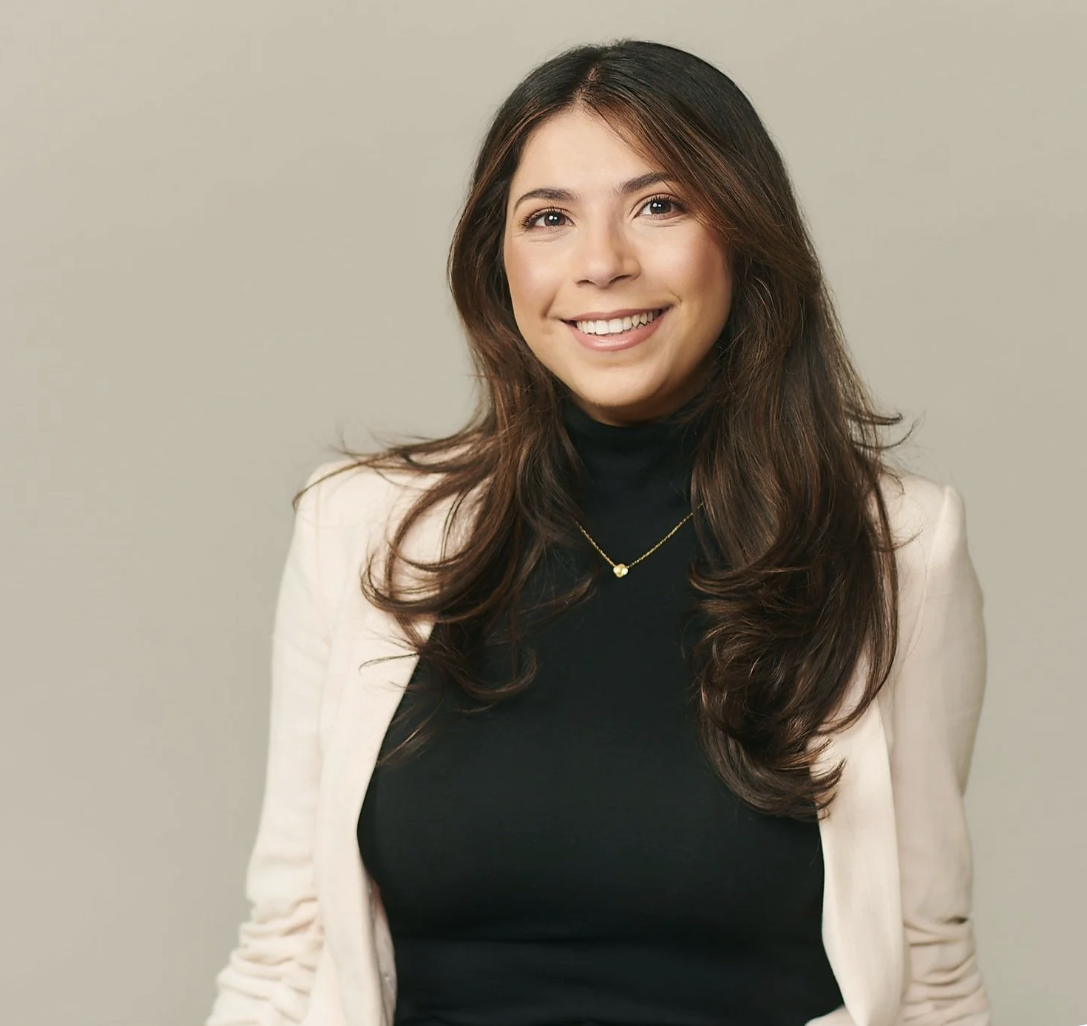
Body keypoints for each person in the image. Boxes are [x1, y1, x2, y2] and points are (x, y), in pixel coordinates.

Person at [205, 39, 989, 1026]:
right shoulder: (358, 529)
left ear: (742, 235)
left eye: (659, 206)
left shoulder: (898, 547)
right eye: (548, 219)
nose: (602, 264)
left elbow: (925, 963)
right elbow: (287, 947)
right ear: (500, 259)